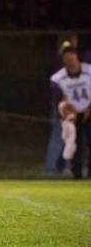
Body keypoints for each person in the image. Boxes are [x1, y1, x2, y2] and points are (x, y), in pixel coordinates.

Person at [50, 44, 91, 179]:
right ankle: (77, 175)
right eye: (66, 59)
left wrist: (89, 108)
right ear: (63, 61)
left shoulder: (89, 71)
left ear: (77, 57)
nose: (70, 61)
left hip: (89, 110)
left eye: (72, 57)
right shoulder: (58, 78)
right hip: (73, 115)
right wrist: (65, 111)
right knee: (75, 145)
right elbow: (57, 99)